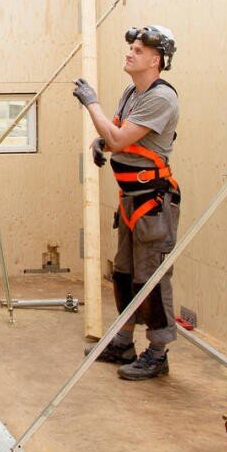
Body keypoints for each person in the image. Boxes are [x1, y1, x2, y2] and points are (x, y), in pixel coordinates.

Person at [72, 25, 180, 381]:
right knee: (124, 274)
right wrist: (101, 143)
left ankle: (158, 353)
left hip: (152, 203)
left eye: (137, 49)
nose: (129, 53)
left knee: (151, 279)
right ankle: (122, 342)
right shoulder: (133, 91)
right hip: (130, 201)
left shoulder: (161, 98)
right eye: (130, 47)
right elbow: (116, 133)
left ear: (156, 59)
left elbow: (118, 137)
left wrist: (92, 104)